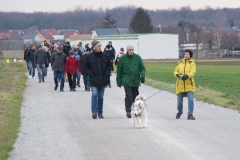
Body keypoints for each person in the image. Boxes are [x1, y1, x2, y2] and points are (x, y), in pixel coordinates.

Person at [83, 40, 111, 119]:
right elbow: (85, 67)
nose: (100, 47)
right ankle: (94, 112)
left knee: (101, 96)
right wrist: (90, 74)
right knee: (94, 94)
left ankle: (100, 112)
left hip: (103, 79)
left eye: (100, 46)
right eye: (98, 46)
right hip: (93, 79)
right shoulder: (89, 57)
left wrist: (107, 73)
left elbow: (109, 65)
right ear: (94, 48)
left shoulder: (105, 56)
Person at [116, 45, 146, 118]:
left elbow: (142, 68)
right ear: (127, 50)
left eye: (132, 50)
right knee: (129, 95)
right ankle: (128, 110)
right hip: (126, 80)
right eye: (129, 50)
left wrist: (142, 76)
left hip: (135, 80)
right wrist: (118, 81)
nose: (131, 51)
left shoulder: (137, 58)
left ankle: (136, 110)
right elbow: (119, 70)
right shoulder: (123, 58)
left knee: (136, 96)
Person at [174, 50, 196, 120]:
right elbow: (175, 71)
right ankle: (180, 111)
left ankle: (190, 114)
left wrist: (187, 76)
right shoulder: (180, 63)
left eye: (188, 54)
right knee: (179, 102)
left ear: (190, 56)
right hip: (180, 85)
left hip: (189, 85)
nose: (186, 55)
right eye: (185, 54)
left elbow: (193, 72)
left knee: (190, 100)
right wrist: (178, 75)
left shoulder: (192, 63)